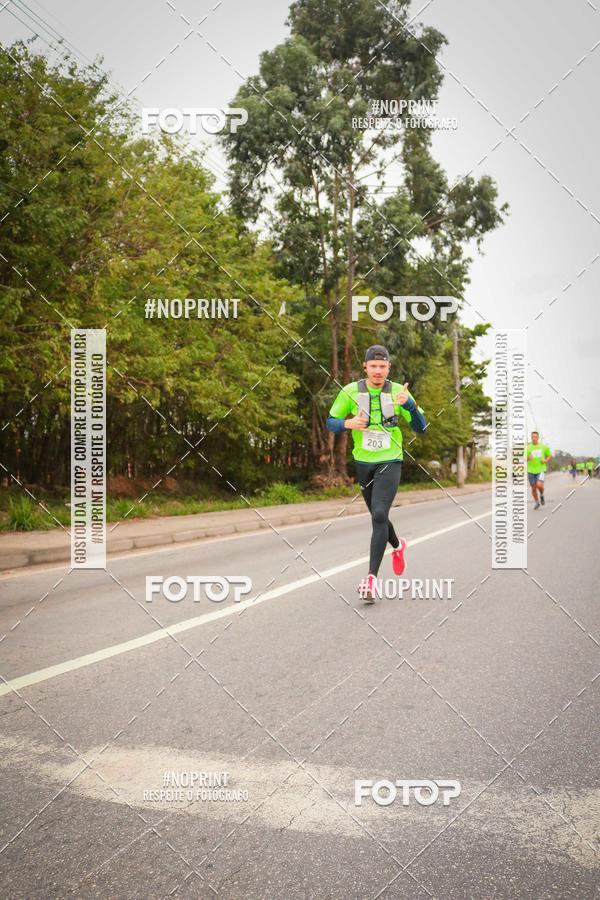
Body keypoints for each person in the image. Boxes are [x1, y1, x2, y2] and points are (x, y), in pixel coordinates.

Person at [326, 345, 427, 603]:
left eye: (383, 367)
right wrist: (348, 423)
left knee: (380, 514)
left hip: (390, 460)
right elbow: (331, 421)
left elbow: (421, 427)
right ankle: (398, 545)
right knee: (377, 515)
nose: (378, 371)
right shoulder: (351, 391)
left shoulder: (398, 393)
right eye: (374, 366)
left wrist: (412, 406)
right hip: (363, 462)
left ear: (389, 368)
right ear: (365, 367)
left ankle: (371, 579)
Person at [526, 431, 552, 509]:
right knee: (533, 488)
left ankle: (541, 495)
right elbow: (524, 458)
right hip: (531, 470)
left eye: (535, 437)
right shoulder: (528, 447)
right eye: (532, 437)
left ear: (538, 438)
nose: (534, 438)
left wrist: (546, 460)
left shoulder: (543, 447)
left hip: (541, 469)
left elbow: (550, 456)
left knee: (539, 485)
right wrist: (528, 458)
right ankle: (537, 502)